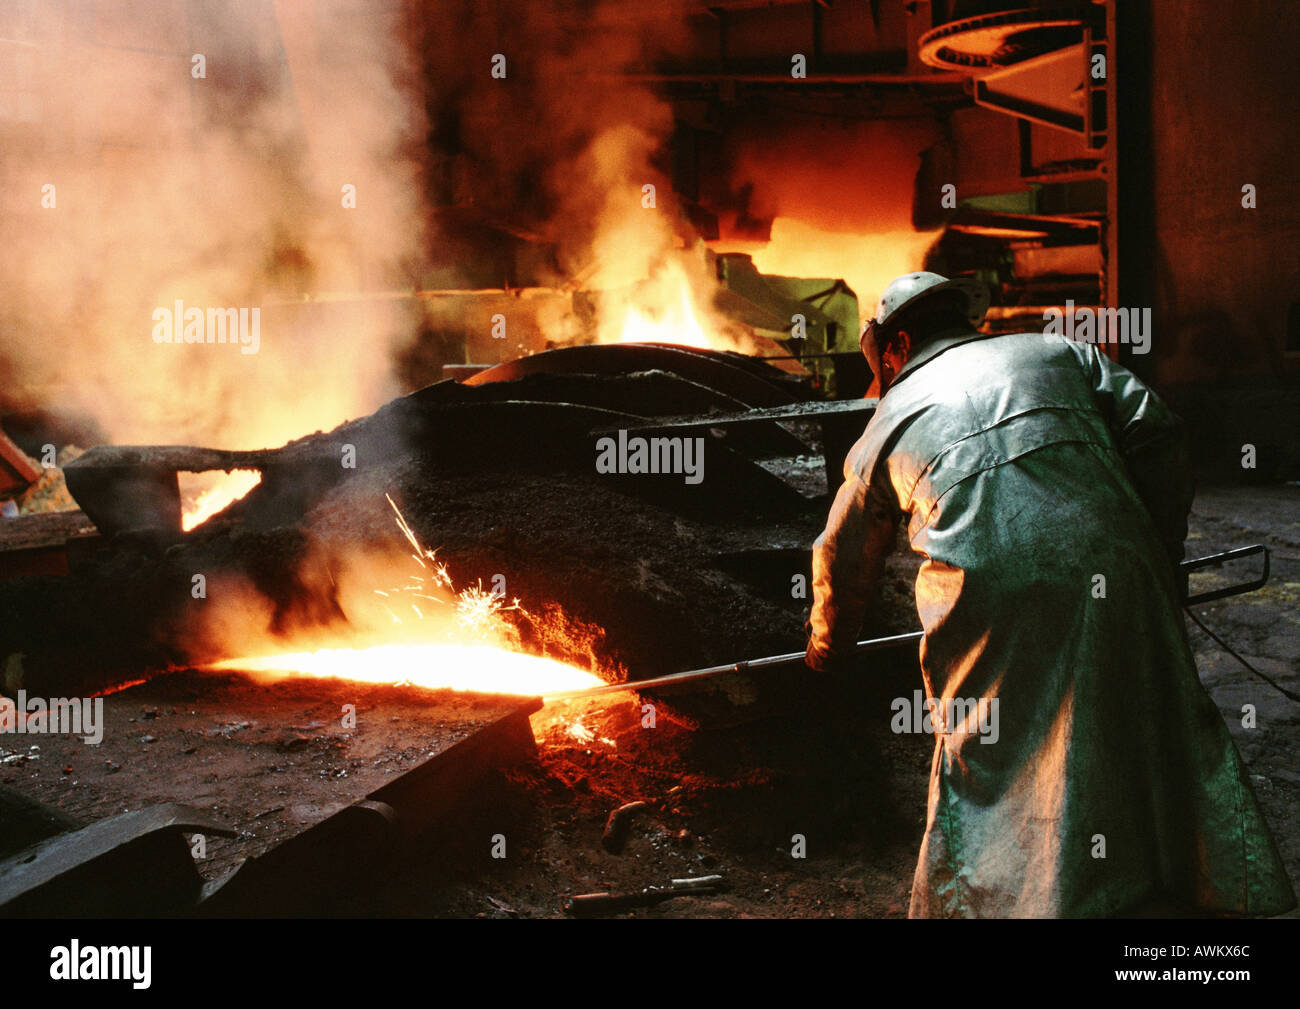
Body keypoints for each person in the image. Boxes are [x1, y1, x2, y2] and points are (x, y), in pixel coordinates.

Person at [805, 271, 1295, 918]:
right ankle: (1186, 883)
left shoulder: (889, 418)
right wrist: (1155, 550)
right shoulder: (1054, 349)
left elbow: (840, 554)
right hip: (1120, 567)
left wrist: (827, 649)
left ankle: (1007, 900)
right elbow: (1161, 432)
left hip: (989, 598)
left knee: (991, 756)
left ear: (895, 344)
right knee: (1142, 718)